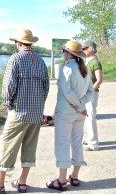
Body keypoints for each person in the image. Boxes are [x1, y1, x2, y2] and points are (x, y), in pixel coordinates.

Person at [0, 28, 49, 194]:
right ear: (30, 43)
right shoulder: (41, 61)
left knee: (7, 146)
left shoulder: (16, 59)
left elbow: (8, 86)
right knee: (30, 147)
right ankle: (23, 183)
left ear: (18, 43)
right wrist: (39, 106)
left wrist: (7, 104)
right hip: (35, 113)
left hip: (19, 112)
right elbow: (46, 87)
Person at [46, 41, 94, 191]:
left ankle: (61, 181)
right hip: (79, 114)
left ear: (68, 53)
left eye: (63, 52)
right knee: (77, 143)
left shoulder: (66, 69)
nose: (63, 55)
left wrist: (79, 107)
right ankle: (74, 176)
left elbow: (67, 93)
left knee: (62, 144)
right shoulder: (84, 69)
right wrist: (81, 106)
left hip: (65, 114)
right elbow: (91, 93)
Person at [82, 41, 103, 151]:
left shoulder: (95, 62)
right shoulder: (88, 61)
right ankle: (88, 138)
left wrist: (90, 91)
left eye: (84, 48)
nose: (83, 50)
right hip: (86, 93)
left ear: (91, 49)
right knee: (86, 117)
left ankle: (93, 143)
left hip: (92, 94)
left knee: (90, 117)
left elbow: (99, 80)